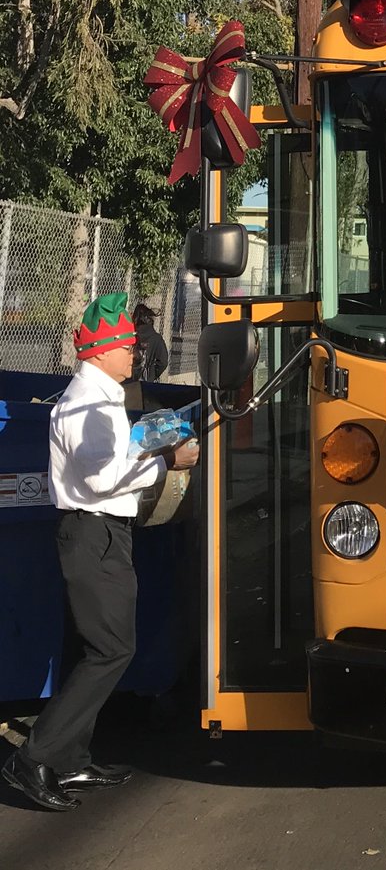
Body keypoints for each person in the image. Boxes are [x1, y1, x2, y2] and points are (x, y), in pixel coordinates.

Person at [2, 292, 199, 812]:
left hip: (101, 533)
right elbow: (103, 476)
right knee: (113, 649)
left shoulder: (102, 398)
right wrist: (168, 461)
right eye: (129, 346)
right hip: (95, 534)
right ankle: (34, 758)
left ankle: (70, 759)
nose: (135, 353)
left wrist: (150, 442)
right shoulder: (90, 405)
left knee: (102, 648)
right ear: (103, 351)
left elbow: (112, 459)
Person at [131, 302, 168, 382]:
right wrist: (152, 374)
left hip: (128, 379)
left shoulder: (129, 336)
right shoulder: (156, 338)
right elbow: (163, 362)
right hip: (146, 381)